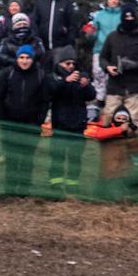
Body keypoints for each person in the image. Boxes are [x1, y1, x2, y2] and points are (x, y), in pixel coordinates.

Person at [0, 45, 52, 191]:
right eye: (21, 57)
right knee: (11, 155)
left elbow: (45, 100)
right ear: (17, 58)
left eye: (28, 58)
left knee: (28, 157)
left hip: (31, 123)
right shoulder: (7, 73)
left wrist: (39, 120)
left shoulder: (40, 75)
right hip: (10, 122)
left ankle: (24, 187)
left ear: (32, 59)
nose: (24, 61)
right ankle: (9, 186)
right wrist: (2, 119)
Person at [45, 52, 94, 186]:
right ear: (60, 63)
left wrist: (86, 85)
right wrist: (65, 81)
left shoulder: (80, 77)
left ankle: (73, 182)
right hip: (60, 123)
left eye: (73, 63)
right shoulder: (52, 77)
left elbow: (91, 95)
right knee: (57, 155)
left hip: (78, 123)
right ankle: (55, 181)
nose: (71, 66)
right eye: (67, 63)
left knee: (76, 156)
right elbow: (51, 91)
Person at [100, 10, 138, 127]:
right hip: (115, 85)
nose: (129, 19)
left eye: (131, 16)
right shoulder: (112, 36)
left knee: (132, 124)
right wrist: (107, 67)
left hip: (135, 86)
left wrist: (135, 65)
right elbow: (103, 57)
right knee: (108, 121)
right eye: (126, 16)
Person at [34, 0, 78, 65]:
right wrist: (37, 37)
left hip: (60, 45)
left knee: (57, 68)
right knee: (44, 68)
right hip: (43, 45)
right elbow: (35, 20)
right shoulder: (41, 2)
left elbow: (72, 24)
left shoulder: (66, 3)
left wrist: (69, 41)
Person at [89, 0, 122, 99]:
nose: (113, 1)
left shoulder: (122, 15)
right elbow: (94, 31)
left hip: (117, 49)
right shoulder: (100, 15)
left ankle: (113, 97)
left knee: (115, 73)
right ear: (107, 1)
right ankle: (100, 98)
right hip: (100, 48)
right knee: (98, 73)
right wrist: (90, 33)